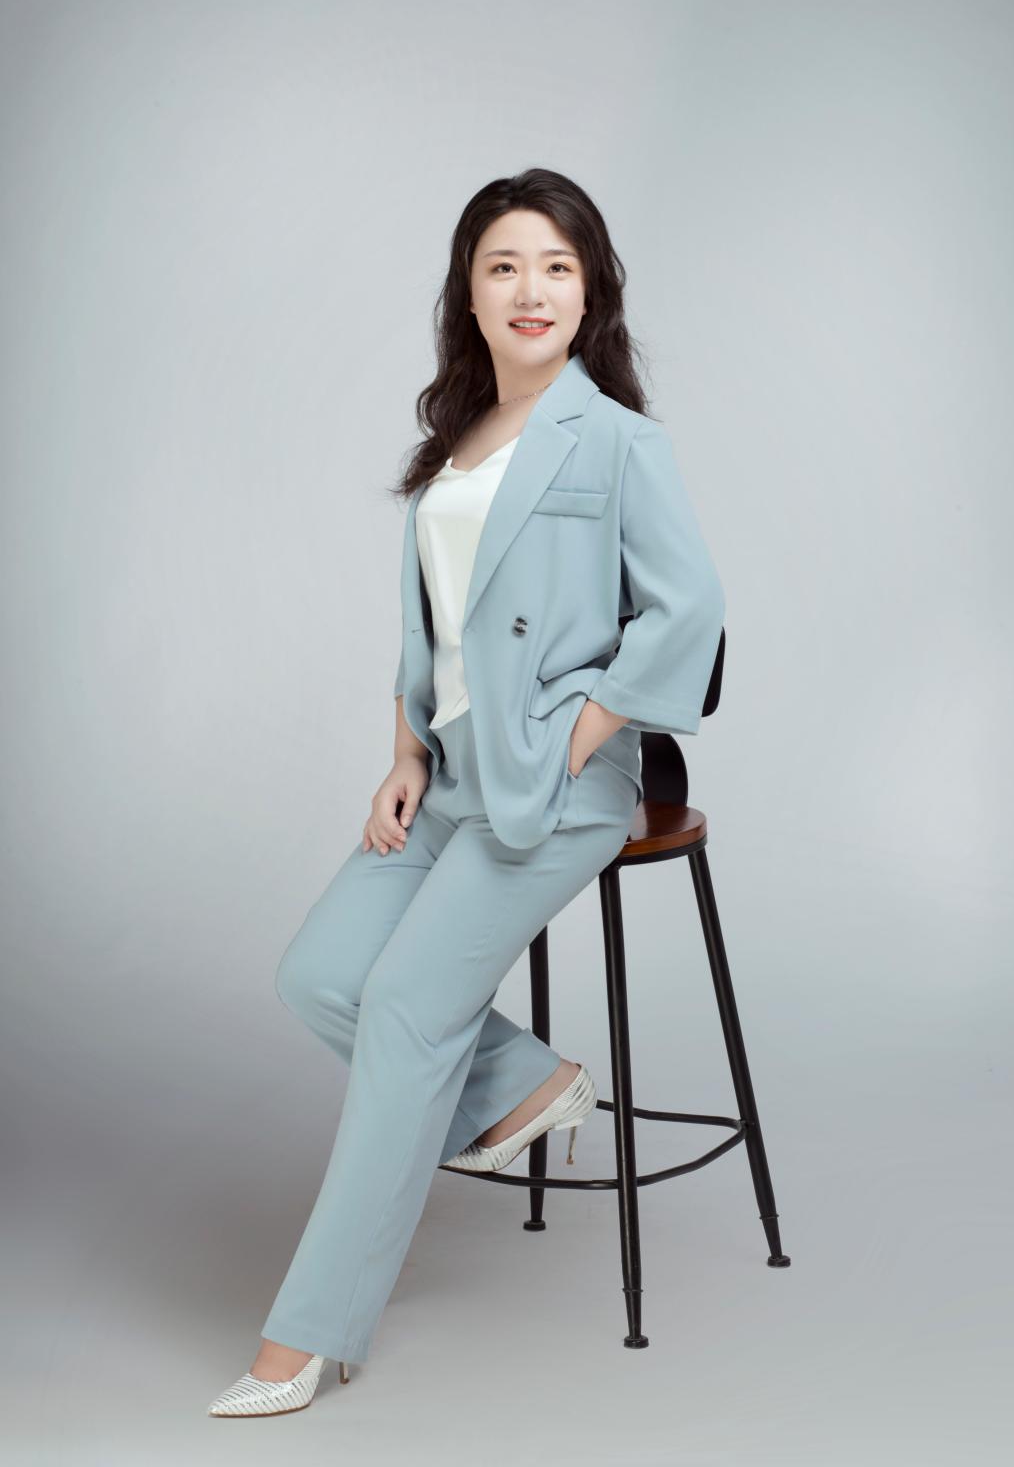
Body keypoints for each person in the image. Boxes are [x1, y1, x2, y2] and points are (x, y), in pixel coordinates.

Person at [207, 167, 726, 1418]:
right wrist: (401, 755)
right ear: (470, 293)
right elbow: (429, 631)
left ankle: (306, 1336)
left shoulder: (616, 440)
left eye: (555, 265)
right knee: (320, 976)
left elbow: (689, 612)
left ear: (590, 291)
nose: (529, 288)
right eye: (503, 266)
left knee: (404, 1010)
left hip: (553, 786)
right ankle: (526, 1086)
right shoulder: (455, 442)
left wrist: (580, 732)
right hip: (446, 775)